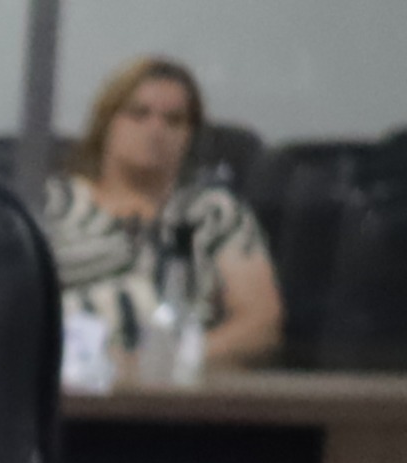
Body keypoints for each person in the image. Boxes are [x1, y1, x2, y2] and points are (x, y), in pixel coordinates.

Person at [42, 56, 282, 374]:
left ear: (190, 135)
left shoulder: (213, 213)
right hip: (65, 383)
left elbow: (260, 325)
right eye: (139, 114)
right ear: (106, 122)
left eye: (174, 120)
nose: (156, 130)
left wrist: (167, 362)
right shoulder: (52, 204)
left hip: (178, 388)